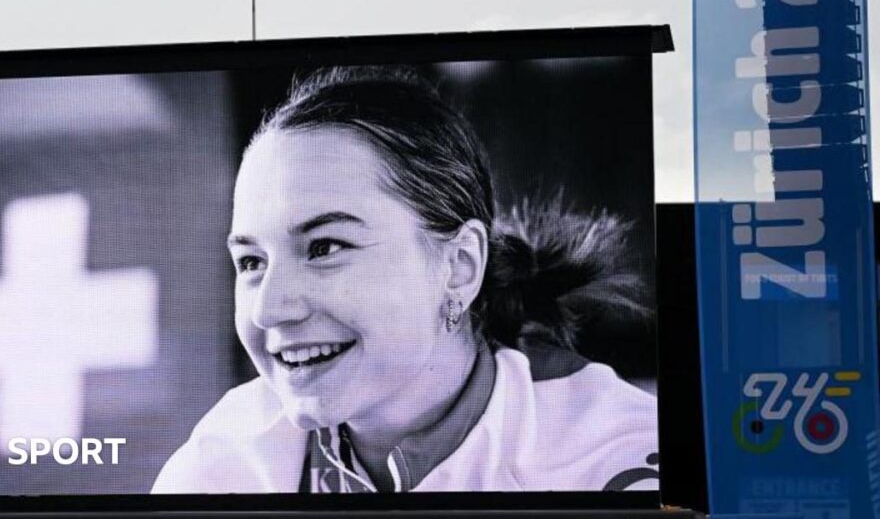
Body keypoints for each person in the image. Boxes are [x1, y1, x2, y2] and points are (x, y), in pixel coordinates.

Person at [152, 66, 658, 494]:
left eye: (325, 247)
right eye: (252, 262)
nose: (268, 309)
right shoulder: (224, 463)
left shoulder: (615, 463)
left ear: (459, 267)